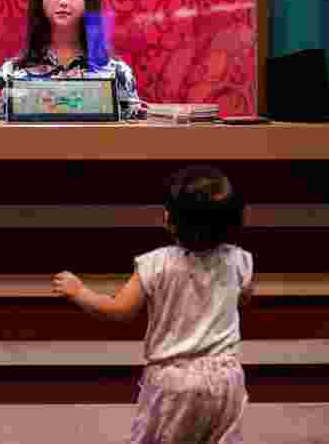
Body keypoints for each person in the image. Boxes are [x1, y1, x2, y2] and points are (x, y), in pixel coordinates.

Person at [52, 165, 254, 443]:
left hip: (173, 380)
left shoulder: (156, 264)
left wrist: (79, 292)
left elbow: (119, 311)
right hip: (226, 376)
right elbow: (243, 297)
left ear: (170, 220)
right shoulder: (240, 261)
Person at [0, 0, 142, 120]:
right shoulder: (12, 73)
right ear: (40, 0)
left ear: (88, 2)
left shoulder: (117, 73)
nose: (63, 1)